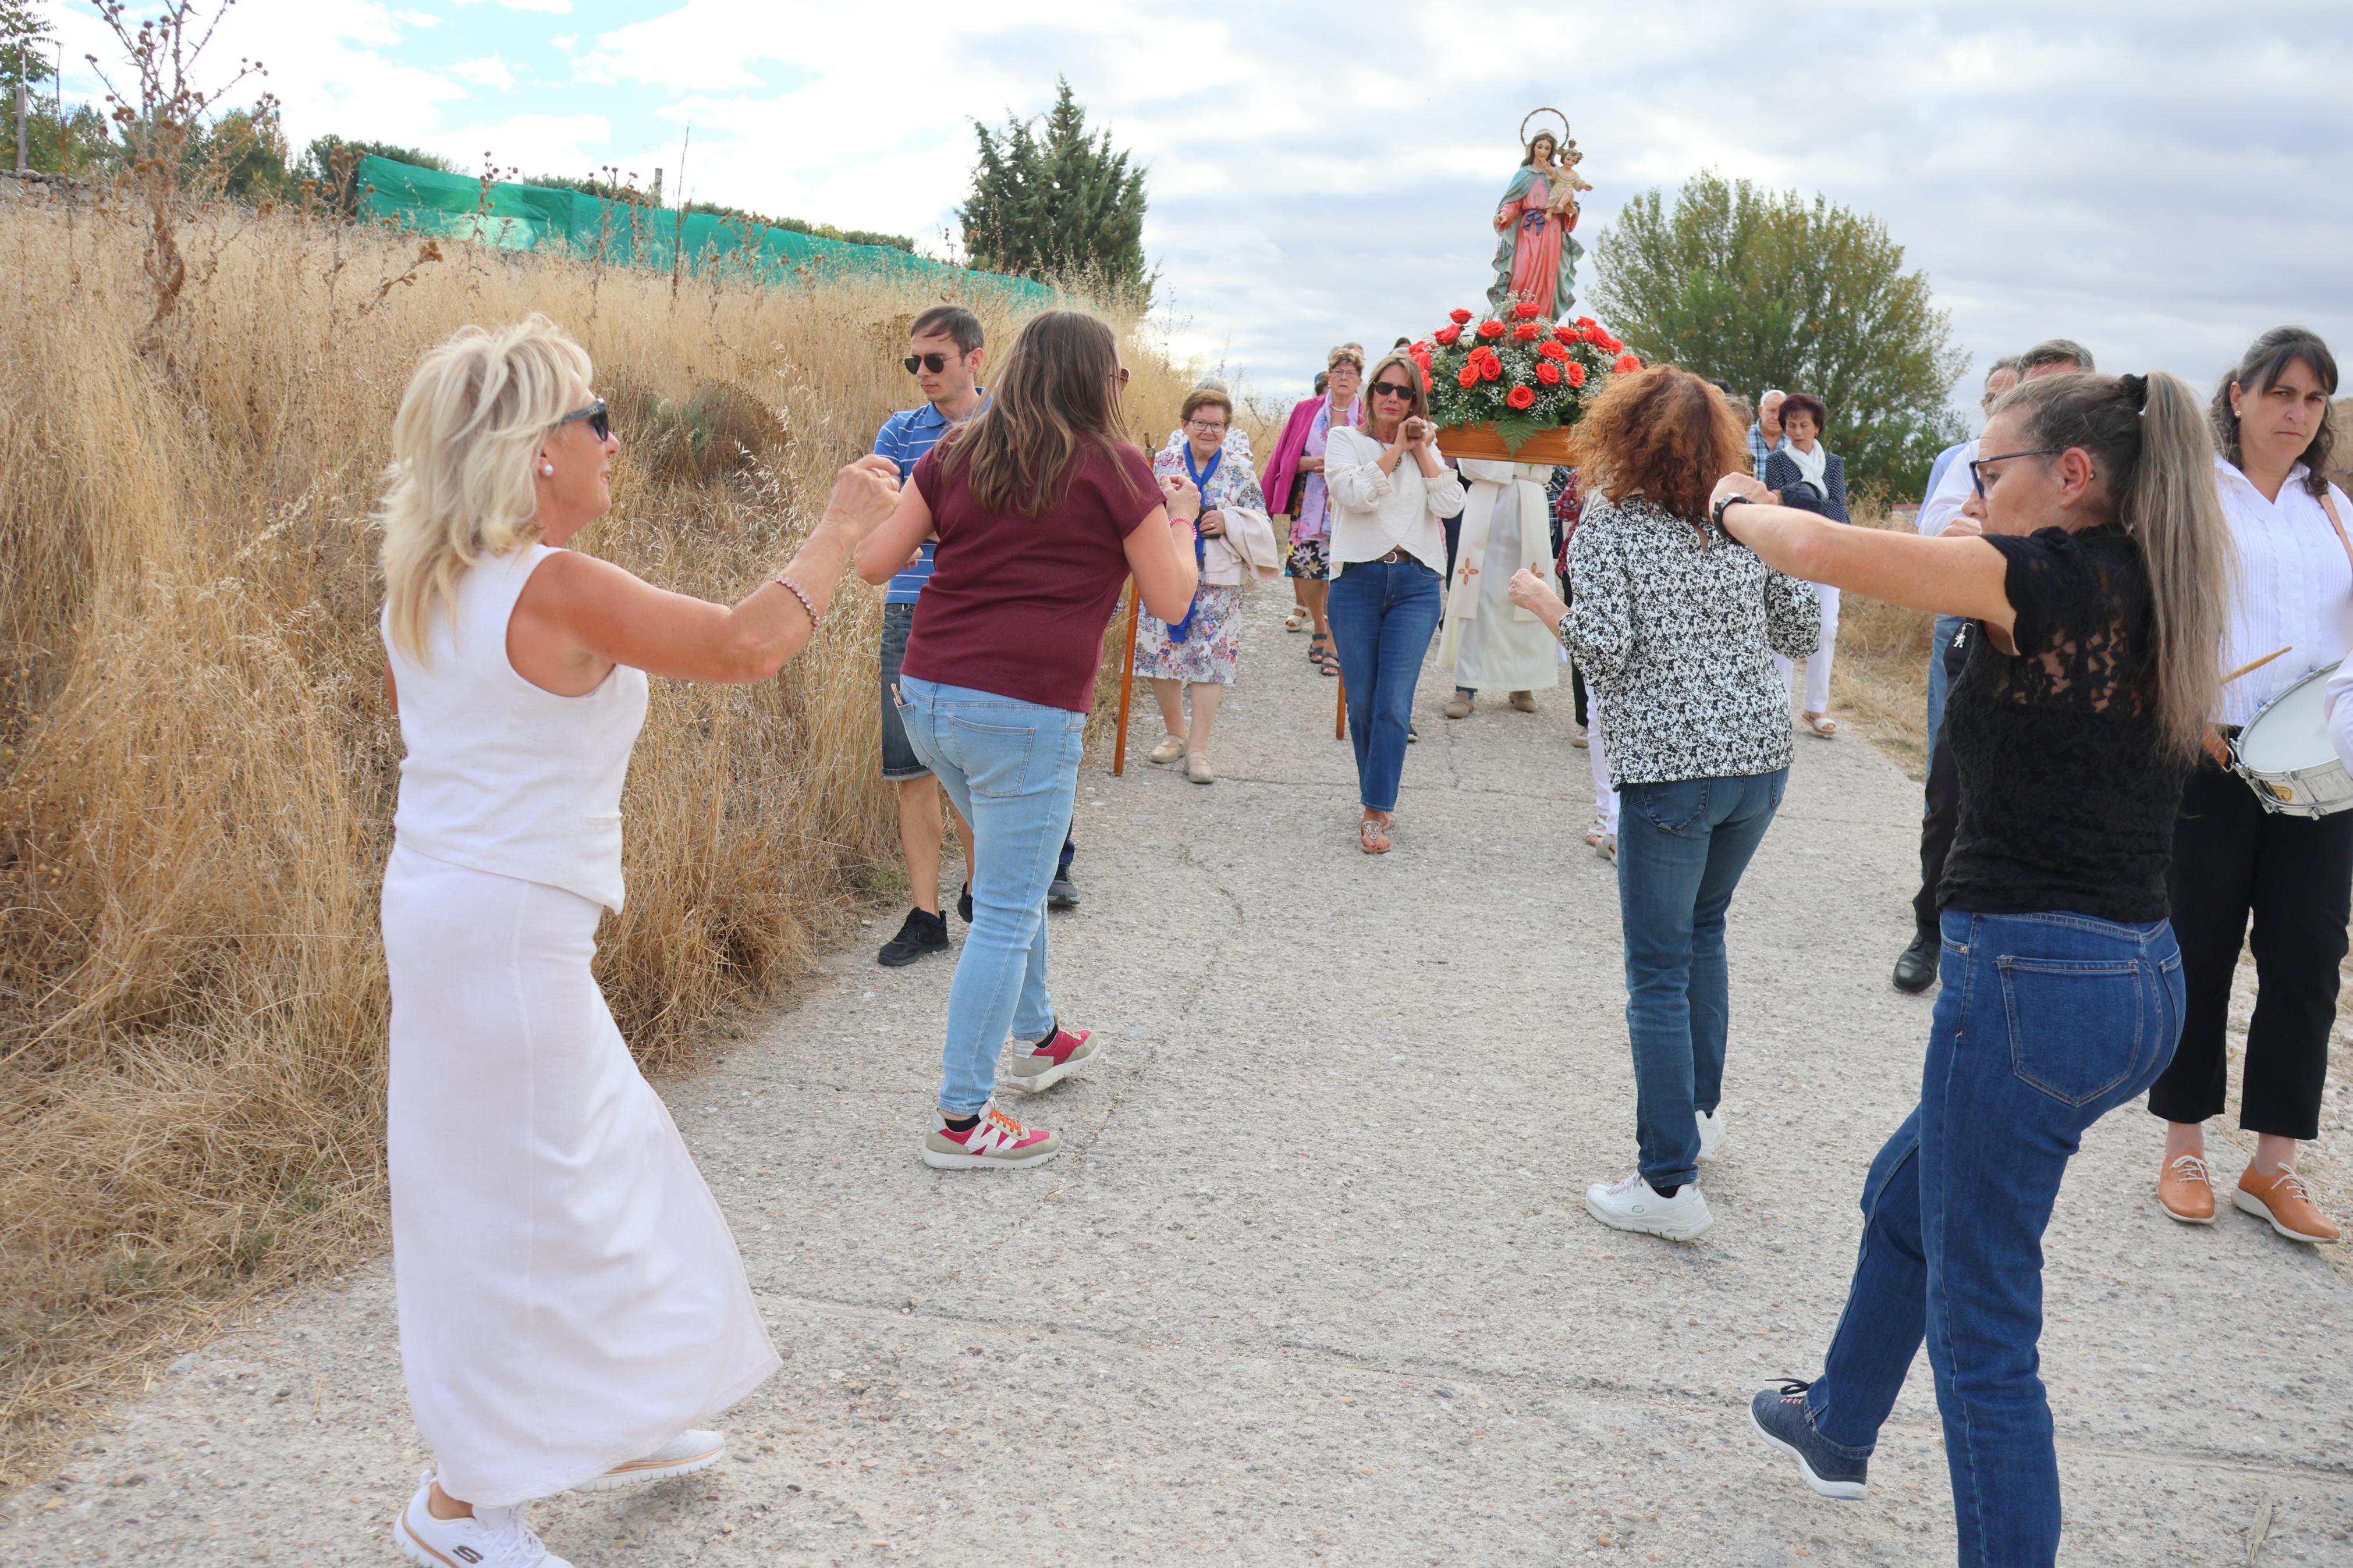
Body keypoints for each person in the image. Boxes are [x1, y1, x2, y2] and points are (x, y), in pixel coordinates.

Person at [377, 317, 899, 1567]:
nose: (614, 437)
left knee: (599, 1159)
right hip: (502, 924)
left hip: (458, 905)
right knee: (525, 1196)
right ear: (535, 451)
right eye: (593, 417)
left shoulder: (429, 584)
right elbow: (742, 645)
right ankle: (460, 1504)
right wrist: (835, 530)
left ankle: (615, 1416)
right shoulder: (548, 582)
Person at [1721, 369, 2230, 1566]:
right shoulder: (2159, 580)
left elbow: (1810, 544)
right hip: (2139, 984)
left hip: (2027, 989)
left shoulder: (2033, 580)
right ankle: (1836, 1424)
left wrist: (1733, 499)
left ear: (2069, 475)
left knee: (1982, 1333)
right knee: (1906, 1194)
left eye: (1989, 469)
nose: (1972, 490)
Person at [854, 310, 1201, 1169]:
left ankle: (1039, 1035)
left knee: (1009, 866)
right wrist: (1184, 519)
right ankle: (961, 1120)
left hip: (929, 699)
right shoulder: (1117, 468)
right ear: (1093, 380)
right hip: (1025, 711)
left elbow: (872, 564)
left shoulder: (954, 451)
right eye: (1116, 376)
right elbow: (1171, 600)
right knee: (1008, 906)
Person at [1508, 367, 1820, 1240]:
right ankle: (1698, 1113)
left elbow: (1602, 655)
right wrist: (1765, 523)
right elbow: (1799, 632)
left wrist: (1544, 602)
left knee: (1656, 968)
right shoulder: (1746, 524)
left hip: (1670, 771)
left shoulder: (1609, 527)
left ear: (1621, 436)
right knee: (1705, 929)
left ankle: (1667, 1182)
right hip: (1757, 762)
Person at [2150, 327, 2350, 1243]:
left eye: (2312, 400)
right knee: (2196, 946)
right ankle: (2182, 1142)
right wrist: (2180, 703)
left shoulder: (2334, 511)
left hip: (2317, 770)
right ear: (2236, 395)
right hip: (2213, 756)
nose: (2295, 414)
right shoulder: (2193, 495)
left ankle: (2272, 1165)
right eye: (2280, 394)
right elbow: (2152, 608)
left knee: (2306, 958)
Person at [1891, 342, 2092, 995]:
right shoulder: (1978, 456)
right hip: (1978, 629)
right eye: (2038, 390)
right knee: (1948, 786)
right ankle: (1930, 930)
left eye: (2067, 389)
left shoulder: (2110, 471)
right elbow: (1939, 530)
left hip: (2072, 652)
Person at [872, 305, 983, 968]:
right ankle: (925, 915)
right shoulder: (899, 429)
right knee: (909, 769)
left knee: (974, 765)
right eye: (912, 360)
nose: (920, 373)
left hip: (978, 611)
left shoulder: (1011, 425)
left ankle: (983, 896)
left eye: (933, 360)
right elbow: (879, 505)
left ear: (973, 358)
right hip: (908, 609)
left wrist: (923, 525)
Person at [1324, 351, 1464, 854]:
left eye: (1403, 392)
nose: (1392, 398)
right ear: (1370, 393)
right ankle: (1375, 792)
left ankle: (1376, 809)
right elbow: (1356, 495)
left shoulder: (1428, 447)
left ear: (1415, 400)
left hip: (1416, 584)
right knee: (1362, 703)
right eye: (1384, 388)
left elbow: (1450, 505)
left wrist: (1423, 448)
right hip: (1356, 582)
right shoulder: (1345, 440)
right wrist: (1394, 452)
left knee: (1392, 704)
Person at [1138, 387, 1276, 784]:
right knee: (1159, 652)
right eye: (1200, 422)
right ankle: (1175, 733)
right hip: (1164, 568)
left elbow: (1260, 520)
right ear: (1184, 424)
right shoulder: (1161, 463)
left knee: (1210, 662)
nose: (1208, 431)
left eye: (1217, 424)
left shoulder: (1239, 468)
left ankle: (1198, 748)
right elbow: (1140, 511)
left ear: (1226, 430)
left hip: (1218, 578)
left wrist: (1227, 520)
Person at [1919, 357, 2025, 767]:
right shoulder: (1956, 457)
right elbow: (1932, 527)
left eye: (2007, 396)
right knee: (1947, 736)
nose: (1995, 404)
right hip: (1960, 613)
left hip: (2020, 615)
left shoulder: (2040, 460)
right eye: (1990, 397)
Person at [1261, 345, 1364, 675]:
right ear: (1328, 377)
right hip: (1308, 500)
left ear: (1360, 380)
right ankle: (1318, 624)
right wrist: (1304, 463)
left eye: (1350, 372)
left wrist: (1343, 469)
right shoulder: (1306, 409)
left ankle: (1334, 639)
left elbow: (1378, 455)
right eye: (1338, 371)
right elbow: (1285, 452)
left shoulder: (1367, 414)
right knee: (1306, 568)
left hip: (1348, 504)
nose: (1344, 377)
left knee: (1343, 572)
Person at [1440, 454, 1560, 719]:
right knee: (1476, 594)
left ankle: (1522, 681)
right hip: (1485, 494)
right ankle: (1465, 685)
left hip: (1530, 492)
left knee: (1529, 594)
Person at [1762, 392, 1850, 739]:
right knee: (1784, 626)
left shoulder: (1835, 463)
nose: (1797, 431)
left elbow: (1839, 511)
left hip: (1829, 552)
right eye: (1790, 425)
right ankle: (1777, 706)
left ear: (1817, 427)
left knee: (1826, 628)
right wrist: (1807, 504)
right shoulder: (1777, 461)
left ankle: (1816, 706)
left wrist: (1804, 500)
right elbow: (1777, 508)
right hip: (1787, 553)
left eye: (1803, 425)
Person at [1747, 389, 1786, 478]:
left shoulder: (1793, 442)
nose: (1776, 417)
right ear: (1760, 411)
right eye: (1772, 411)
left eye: (1781, 413)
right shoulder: (1745, 436)